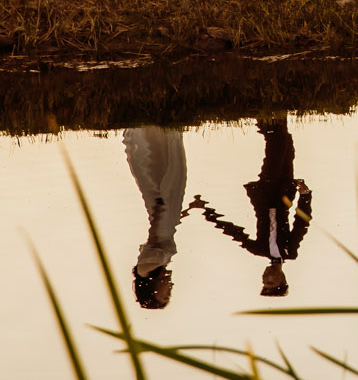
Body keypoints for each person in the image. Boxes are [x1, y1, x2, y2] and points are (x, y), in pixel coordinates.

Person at [190, 119, 313, 298]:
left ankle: (263, 117)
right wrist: (305, 195)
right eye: (270, 281)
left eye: (264, 281)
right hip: (284, 192)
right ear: (282, 280)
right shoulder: (289, 252)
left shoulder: (259, 249)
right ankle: (274, 113)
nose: (265, 276)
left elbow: (232, 231)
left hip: (266, 192)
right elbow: (302, 223)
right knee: (286, 146)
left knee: (276, 144)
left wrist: (206, 212)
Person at [122, 126, 189, 309]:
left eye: (165, 293)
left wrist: (161, 209)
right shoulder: (156, 266)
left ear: (153, 291)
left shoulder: (148, 266)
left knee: (160, 168)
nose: (169, 288)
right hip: (168, 216)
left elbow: (155, 235)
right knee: (169, 169)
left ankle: (154, 131)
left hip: (164, 213)